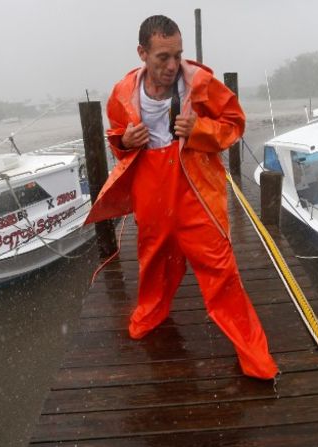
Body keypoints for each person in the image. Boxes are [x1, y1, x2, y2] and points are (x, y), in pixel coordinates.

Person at [85, 15, 278, 380]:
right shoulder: (122, 93)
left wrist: (200, 130)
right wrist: (125, 142)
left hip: (195, 188)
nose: (172, 66)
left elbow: (235, 124)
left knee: (220, 269)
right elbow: (116, 137)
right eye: (162, 57)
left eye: (177, 55)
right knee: (155, 256)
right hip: (150, 187)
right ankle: (151, 311)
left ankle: (252, 350)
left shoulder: (202, 84)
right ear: (142, 53)